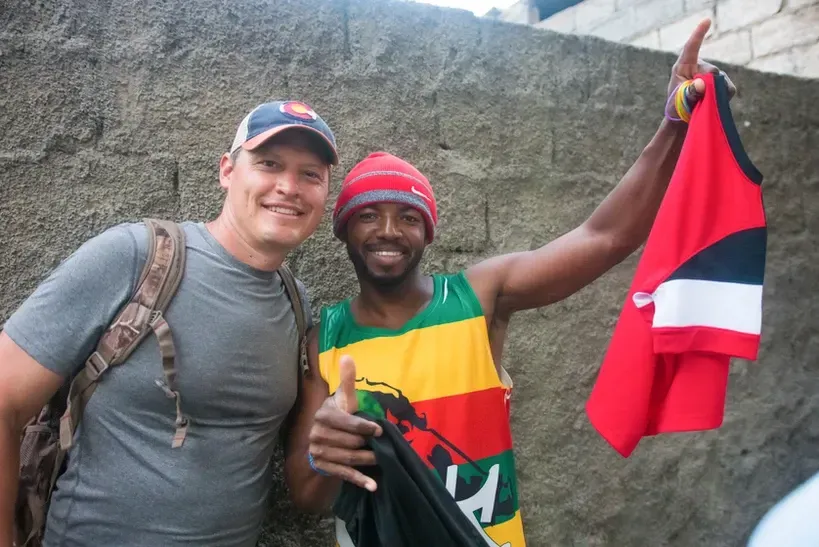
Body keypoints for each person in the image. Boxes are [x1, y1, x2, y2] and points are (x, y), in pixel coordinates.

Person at [280, 18, 738, 547]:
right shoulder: (326, 337)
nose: (388, 231)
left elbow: (606, 237)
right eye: (368, 215)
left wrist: (675, 124)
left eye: (408, 217)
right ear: (343, 230)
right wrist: (322, 452)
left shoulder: (478, 297)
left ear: (427, 233)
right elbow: (306, 495)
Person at [0, 100, 338, 547]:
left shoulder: (296, 303)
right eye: (268, 164)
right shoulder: (135, 258)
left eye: (310, 173)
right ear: (227, 171)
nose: (289, 187)